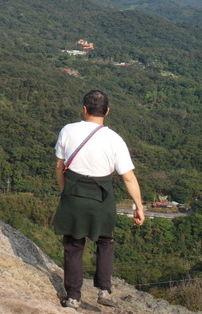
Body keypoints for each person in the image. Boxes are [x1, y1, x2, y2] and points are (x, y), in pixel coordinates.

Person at [53, 90, 144, 309]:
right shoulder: (114, 139)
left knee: (74, 245)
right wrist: (139, 206)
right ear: (107, 111)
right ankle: (104, 289)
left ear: (84, 109)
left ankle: (73, 296)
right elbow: (128, 177)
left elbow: (59, 167)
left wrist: (66, 191)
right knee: (105, 241)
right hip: (102, 197)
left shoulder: (68, 130)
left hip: (73, 194)